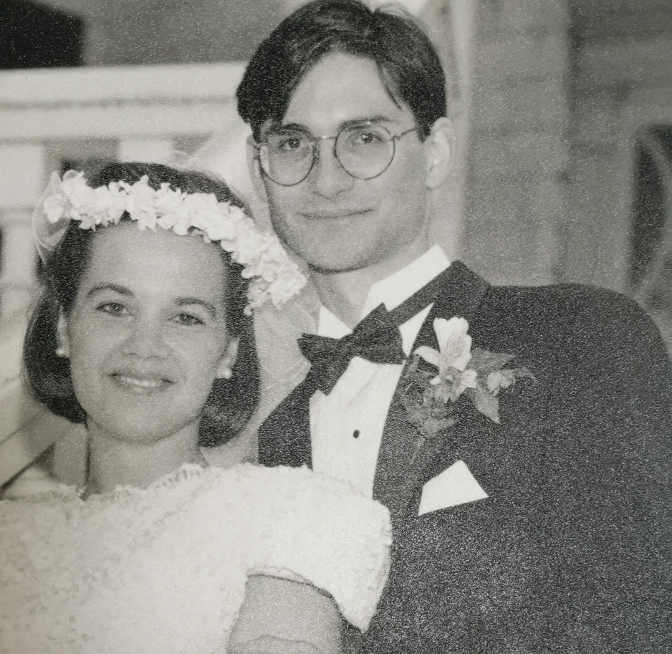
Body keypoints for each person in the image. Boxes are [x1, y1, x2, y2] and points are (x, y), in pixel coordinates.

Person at [236, 1, 672, 651]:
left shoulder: (582, 340)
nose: (326, 180)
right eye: (292, 143)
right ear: (257, 165)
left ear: (436, 152)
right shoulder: (256, 419)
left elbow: (639, 620)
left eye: (365, 139)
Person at [0, 162, 393, 654]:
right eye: (114, 307)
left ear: (229, 351)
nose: (144, 346)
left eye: (186, 318)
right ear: (64, 328)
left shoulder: (282, 523)